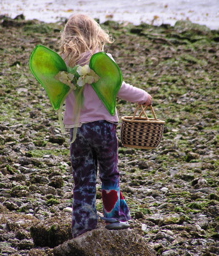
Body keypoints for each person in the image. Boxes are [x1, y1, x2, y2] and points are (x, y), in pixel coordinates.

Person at [59, 13, 152, 238]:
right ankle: (115, 219)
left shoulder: (63, 64)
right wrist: (143, 96)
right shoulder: (101, 60)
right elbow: (119, 86)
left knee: (83, 178)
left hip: (76, 129)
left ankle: (83, 225)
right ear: (95, 33)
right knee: (110, 174)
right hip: (102, 126)